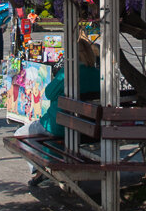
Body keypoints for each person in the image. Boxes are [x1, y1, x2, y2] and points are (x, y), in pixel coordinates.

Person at [20, 39, 101, 186]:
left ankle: (40, 169)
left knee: (21, 133)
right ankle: (44, 169)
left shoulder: (68, 73)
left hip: (59, 125)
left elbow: (49, 93)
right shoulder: (97, 74)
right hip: (90, 128)